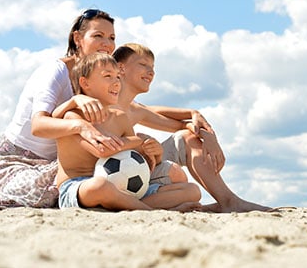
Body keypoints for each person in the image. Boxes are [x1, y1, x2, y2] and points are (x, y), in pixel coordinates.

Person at [0, 9, 123, 208]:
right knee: (54, 191)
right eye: (98, 36)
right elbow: (38, 125)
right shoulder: (55, 72)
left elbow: (132, 110)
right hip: (11, 163)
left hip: (54, 163)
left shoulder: (102, 77)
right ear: (78, 38)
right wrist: (80, 124)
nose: (107, 44)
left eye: (112, 37)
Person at [113, 43, 271, 212]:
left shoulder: (136, 109)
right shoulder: (102, 100)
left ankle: (228, 201)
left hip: (141, 170)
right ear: (121, 68)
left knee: (188, 140)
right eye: (143, 65)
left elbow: (180, 125)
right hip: (115, 176)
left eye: (153, 67)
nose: (151, 72)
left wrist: (208, 135)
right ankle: (152, 205)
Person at [55, 53, 201, 211]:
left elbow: (137, 156)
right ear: (85, 82)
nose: (116, 82)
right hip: (79, 186)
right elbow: (103, 150)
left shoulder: (120, 117)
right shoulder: (74, 117)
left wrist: (155, 152)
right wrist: (137, 141)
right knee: (100, 186)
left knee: (192, 191)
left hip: (120, 185)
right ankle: (148, 210)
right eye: (108, 76)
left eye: (118, 77)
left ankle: (125, 205)